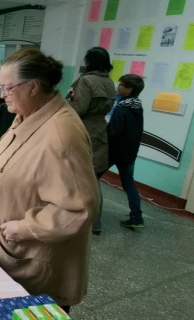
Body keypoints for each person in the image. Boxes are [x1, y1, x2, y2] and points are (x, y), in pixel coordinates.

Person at [0, 48, 100, 311]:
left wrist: (25, 228)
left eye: (8, 88)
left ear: (33, 87)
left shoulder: (61, 135)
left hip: (29, 266)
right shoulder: (26, 117)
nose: (2, 94)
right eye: (0, 87)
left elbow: (80, 209)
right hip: (3, 255)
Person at [68, 47, 116, 234]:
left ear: (90, 62)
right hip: (100, 129)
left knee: (75, 173)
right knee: (92, 177)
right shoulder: (109, 82)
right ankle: (96, 222)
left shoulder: (86, 80)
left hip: (82, 127)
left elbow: (78, 107)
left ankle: (75, 219)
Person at [105, 74, 145, 229]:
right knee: (129, 183)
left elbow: (113, 133)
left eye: (121, 85)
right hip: (130, 153)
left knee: (92, 177)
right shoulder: (137, 107)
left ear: (129, 89)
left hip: (115, 151)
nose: (118, 86)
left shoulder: (122, 109)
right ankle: (137, 217)